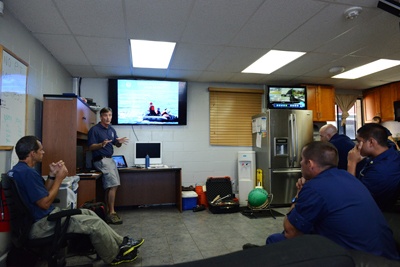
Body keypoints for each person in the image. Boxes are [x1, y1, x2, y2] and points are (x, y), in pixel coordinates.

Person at [245, 141, 399, 260]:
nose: (300, 164)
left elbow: (290, 232)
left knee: (275, 239)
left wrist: (298, 194)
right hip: (386, 255)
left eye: (302, 160)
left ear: (310, 164)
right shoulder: (347, 177)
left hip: (357, 258)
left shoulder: (314, 188)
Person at [7, 136, 144, 265]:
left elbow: (42, 193)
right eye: (40, 149)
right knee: (93, 223)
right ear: (32, 153)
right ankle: (114, 256)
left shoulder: (19, 170)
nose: (43, 152)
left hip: (37, 221)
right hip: (40, 225)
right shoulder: (27, 173)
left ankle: (121, 243)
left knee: (88, 212)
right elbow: (44, 203)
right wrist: (60, 179)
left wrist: (52, 175)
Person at [88, 107, 128, 224]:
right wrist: (101, 144)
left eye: (110, 115)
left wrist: (119, 142)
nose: (108, 118)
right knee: (113, 184)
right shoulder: (94, 130)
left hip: (110, 160)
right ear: (101, 117)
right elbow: (90, 147)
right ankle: (112, 213)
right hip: (101, 160)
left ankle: (107, 212)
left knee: (112, 186)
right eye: (105, 115)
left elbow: (116, 144)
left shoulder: (111, 129)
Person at [348, 123, 400, 211]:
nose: (356, 146)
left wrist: (351, 163)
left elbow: (353, 197)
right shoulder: (391, 153)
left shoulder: (381, 171)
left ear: (371, 142)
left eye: (359, 141)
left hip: (374, 211)